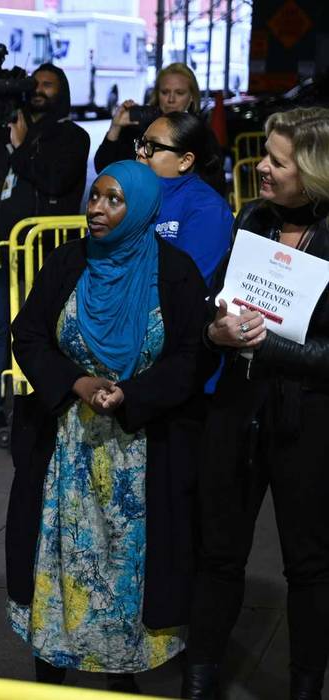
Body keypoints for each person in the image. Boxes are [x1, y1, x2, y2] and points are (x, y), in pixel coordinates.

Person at [5, 161, 212, 694]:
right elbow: (27, 335)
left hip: (141, 454)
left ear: (140, 208)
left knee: (128, 570)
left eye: (113, 200)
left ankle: (121, 684)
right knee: (56, 562)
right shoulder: (67, 263)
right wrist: (75, 382)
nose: (96, 209)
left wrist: (132, 395)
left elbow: (193, 357)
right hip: (66, 451)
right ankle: (49, 678)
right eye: (95, 197)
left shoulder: (176, 273)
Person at [184, 107, 329, 700]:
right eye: (263, 155)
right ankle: (199, 679)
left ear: (314, 170)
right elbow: (214, 300)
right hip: (238, 413)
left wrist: (270, 344)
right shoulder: (253, 218)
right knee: (218, 553)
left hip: (308, 421)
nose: (261, 168)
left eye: (276, 160)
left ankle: (304, 687)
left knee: (309, 566)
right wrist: (212, 330)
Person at [0, 64, 91, 439]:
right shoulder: (13, 128)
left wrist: (21, 146)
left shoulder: (72, 136)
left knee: (35, 336)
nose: (39, 89)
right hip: (0, 251)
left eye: (49, 84)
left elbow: (54, 178)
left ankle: (28, 415)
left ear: (63, 92)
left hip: (40, 253)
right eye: (35, 83)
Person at [95, 63, 227, 195]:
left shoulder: (202, 134)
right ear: (157, 94)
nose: (171, 99)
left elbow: (216, 185)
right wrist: (116, 127)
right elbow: (103, 168)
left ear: (192, 96)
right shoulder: (139, 128)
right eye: (165, 92)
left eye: (179, 93)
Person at [135, 111, 234, 282]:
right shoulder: (134, 193)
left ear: (185, 161)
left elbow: (188, 283)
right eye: (141, 143)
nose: (141, 152)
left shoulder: (209, 209)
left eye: (151, 146)